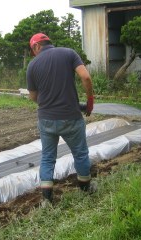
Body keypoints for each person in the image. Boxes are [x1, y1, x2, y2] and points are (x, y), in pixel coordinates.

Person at [26, 33, 95, 203]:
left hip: (46, 120)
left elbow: (34, 97)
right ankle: (85, 188)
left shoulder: (32, 65)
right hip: (71, 117)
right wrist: (90, 101)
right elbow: (85, 77)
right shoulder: (69, 53)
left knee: (48, 157)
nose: (33, 53)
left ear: (36, 46)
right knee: (80, 153)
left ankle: (47, 199)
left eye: (32, 50)